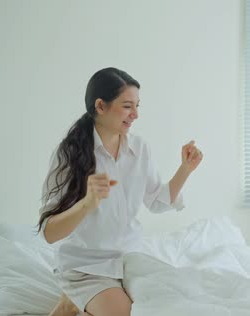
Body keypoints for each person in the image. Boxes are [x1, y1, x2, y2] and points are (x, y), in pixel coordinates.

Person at [38, 67, 203, 316]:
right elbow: (49, 233)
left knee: (172, 305)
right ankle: (74, 297)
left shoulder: (139, 148)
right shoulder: (69, 154)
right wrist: (86, 204)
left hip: (130, 262)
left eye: (137, 105)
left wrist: (185, 169)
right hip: (87, 267)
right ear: (101, 107)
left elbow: (157, 202)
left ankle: (71, 305)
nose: (135, 114)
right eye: (127, 106)